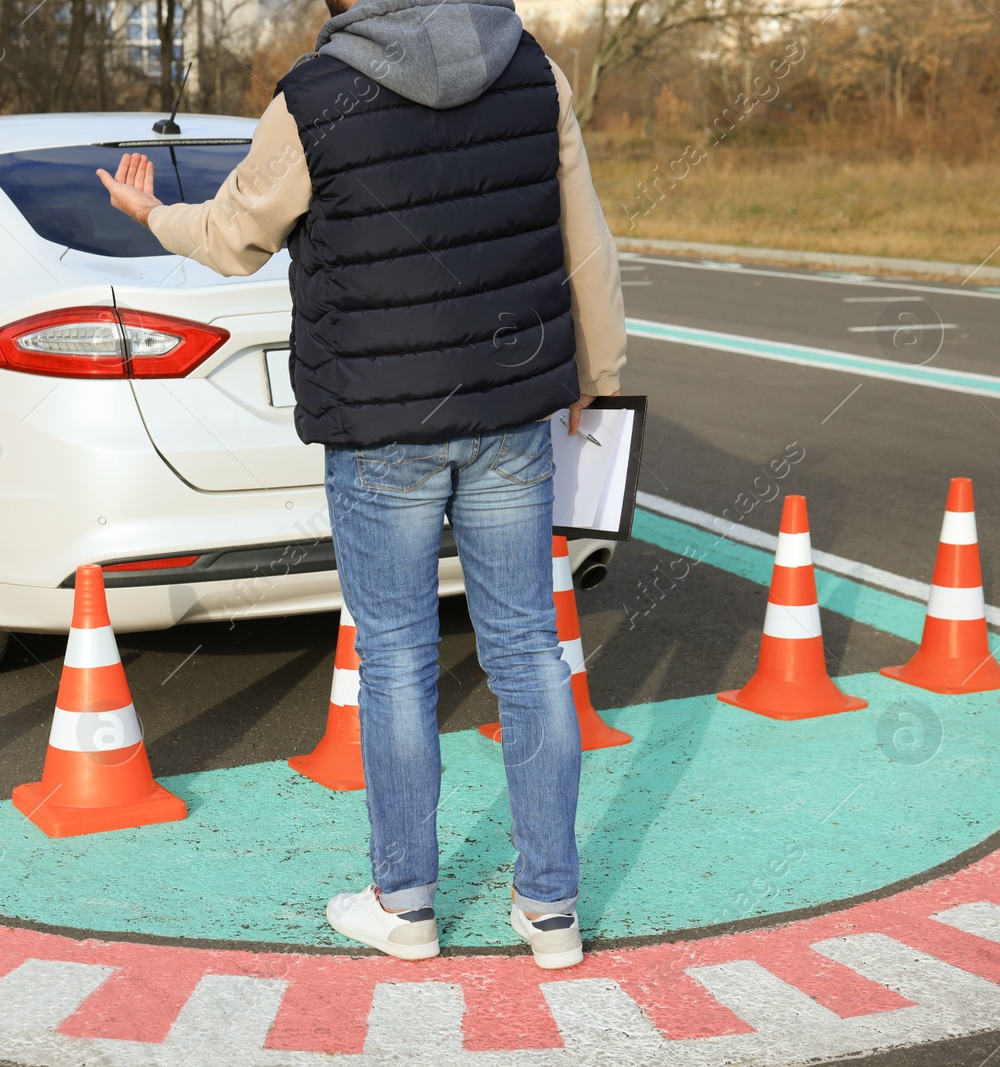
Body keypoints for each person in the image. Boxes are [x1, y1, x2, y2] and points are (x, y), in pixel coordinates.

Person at [98, 0, 625, 970]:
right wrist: (599, 368)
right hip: (510, 408)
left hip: (380, 424)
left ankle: (406, 902)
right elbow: (580, 232)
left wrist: (149, 214)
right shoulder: (530, 70)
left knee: (393, 657)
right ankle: (551, 906)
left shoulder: (315, 95)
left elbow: (232, 238)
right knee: (528, 648)